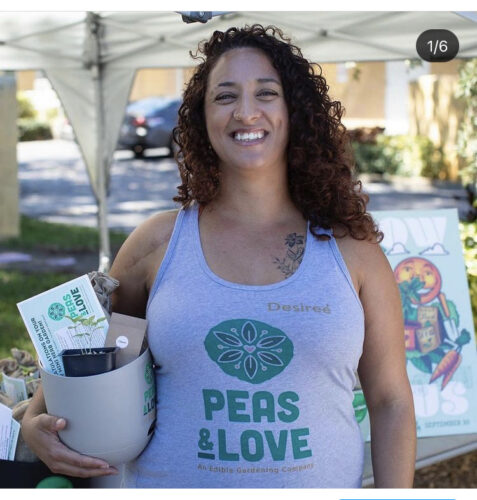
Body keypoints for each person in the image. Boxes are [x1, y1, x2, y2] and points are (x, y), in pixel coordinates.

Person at [21, 24, 416, 487]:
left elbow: (391, 402)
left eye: (266, 93)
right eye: (225, 96)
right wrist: (34, 419)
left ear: (295, 111)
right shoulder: (156, 244)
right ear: (201, 119)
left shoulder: (354, 251)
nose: (245, 112)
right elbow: (90, 350)